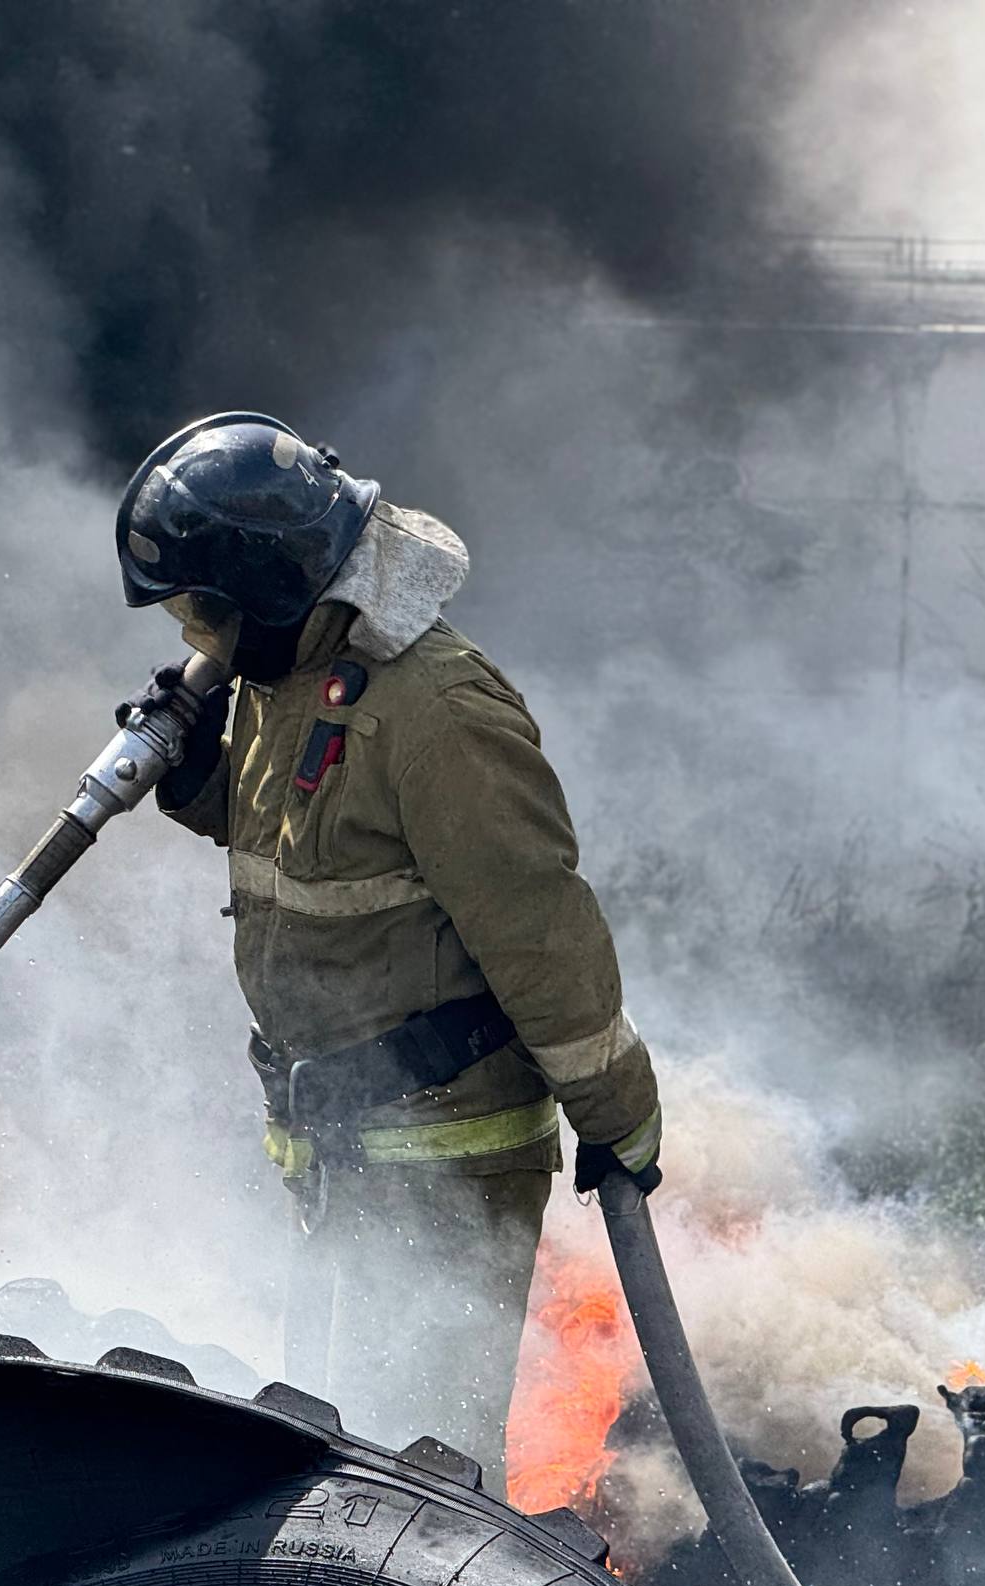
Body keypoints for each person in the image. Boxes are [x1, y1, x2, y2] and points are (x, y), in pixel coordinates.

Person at [120, 411, 659, 1472]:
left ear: (270, 588)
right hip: (340, 1147)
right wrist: (194, 786)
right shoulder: (290, 679)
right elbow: (324, 846)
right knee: (327, 1455)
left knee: (423, 1480)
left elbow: (537, 929)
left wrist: (617, 1118)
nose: (195, 636)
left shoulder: (440, 714)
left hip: (439, 1162)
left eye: (204, 608)